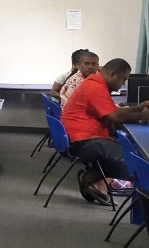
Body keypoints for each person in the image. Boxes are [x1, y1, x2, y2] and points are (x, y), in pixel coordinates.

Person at [61, 58, 149, 206]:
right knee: (129, 157)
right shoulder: (95, 87)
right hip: (82, 141)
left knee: (122, 147)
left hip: (82, 137)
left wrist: (137, 108)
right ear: (113, 74)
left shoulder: (95, 83)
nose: (123, 84)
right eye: (123, 79)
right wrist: (142, 116)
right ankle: (95, 182)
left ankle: (94, 180)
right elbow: (115, 117)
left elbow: (111, 111)